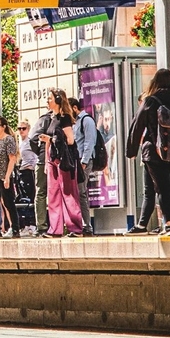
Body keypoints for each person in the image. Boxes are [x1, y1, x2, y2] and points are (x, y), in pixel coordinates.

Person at [124, 69, 170, 237]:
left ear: (154, 82)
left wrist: (132, 150)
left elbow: (137, 126)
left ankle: (169, 225)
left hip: (154, 151)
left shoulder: (151, 101)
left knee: (162, 188)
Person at [44, 89, 83, 237]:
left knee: (68, 193)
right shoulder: (52, 118)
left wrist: (51, 140)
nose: (48, 101)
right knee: (53, 194)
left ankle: (76, 227)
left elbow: (70, 140)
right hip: (52, 159)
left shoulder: (65, 118)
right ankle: (55, 228)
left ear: (58, 100)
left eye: (50, 98)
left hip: (64, 159)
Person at [69, 97, 98, 237]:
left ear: (75, 108)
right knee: (76, 193)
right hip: (75, 162)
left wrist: (84, 161)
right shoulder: (73, 123)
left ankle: (86, 226)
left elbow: (90, 141)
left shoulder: (86, 120)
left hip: (83, 162)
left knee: (81, 192)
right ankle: (78, 224)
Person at [27, 104, 53, 236]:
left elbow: (32, 138)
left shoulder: (44, 119)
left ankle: (43, 225)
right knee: (45, 192)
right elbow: (32, 138)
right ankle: (47, 225)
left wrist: (40, 152)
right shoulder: (47, 119)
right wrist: (42, 152)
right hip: (47, 160)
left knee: (41, 192)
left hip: (44, 159)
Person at [14, 120, 39, 236]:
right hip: (20, 172)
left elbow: (36, 156)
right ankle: (25, 224)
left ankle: (33, 224)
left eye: (23, 128)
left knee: (30, 197)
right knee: (21, 198)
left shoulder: (30, 142)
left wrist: (32, 167)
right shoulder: (19, 143)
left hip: (28, 172)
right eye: (19, 128)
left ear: (28, 129)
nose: (21, 131)